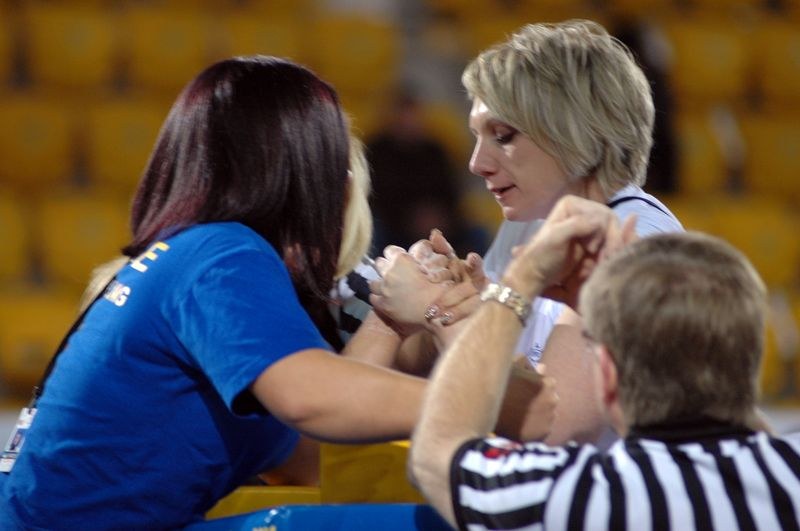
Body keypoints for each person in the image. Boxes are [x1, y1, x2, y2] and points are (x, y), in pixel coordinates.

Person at [0, 56, 553, 530]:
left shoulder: (193, 255)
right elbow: (314, 398)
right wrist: (488, 400)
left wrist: (388, 312)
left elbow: (311, 457)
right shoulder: (222, 253)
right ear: (300, 169)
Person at [408, 195, 800, 530]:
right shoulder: (789, 474)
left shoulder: (576, 492)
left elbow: (437, 453)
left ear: (607, 377)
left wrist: (519, 283)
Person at [436, 19, 684, 446]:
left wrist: (443, 321)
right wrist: (467, 305)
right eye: (477, 137)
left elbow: (555, 427)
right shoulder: (530, 223)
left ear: (575, 131)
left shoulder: (638, 241)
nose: (477, 163)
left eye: (503, 136)